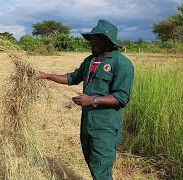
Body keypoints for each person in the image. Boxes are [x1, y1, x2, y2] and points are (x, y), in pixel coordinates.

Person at [39, 19, 134, 180]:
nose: (92, 41)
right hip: (87, 123)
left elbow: (122, 97)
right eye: (92, 38)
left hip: (105, 127)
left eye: (97, 38)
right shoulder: (90, 61)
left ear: (108, 41)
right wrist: (46, 76)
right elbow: (72, 78)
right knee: (92, 164)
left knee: (102, 170)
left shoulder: (122, 64)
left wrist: (93, 100)